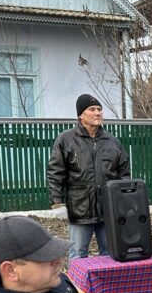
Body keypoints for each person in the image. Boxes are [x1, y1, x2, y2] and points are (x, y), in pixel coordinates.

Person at [47, 93, 131, 260]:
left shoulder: (112, 141)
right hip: (80, 209)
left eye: (99, 109)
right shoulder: (66, 140)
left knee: (110, 255)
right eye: (92, 109)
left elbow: (124, 174)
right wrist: (57, 203)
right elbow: (55, 173)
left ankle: (106, 286)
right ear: (80, 115)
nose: (97, 113)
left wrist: (121, 201)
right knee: (77, 255)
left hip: (108, 209)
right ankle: (77, 287)